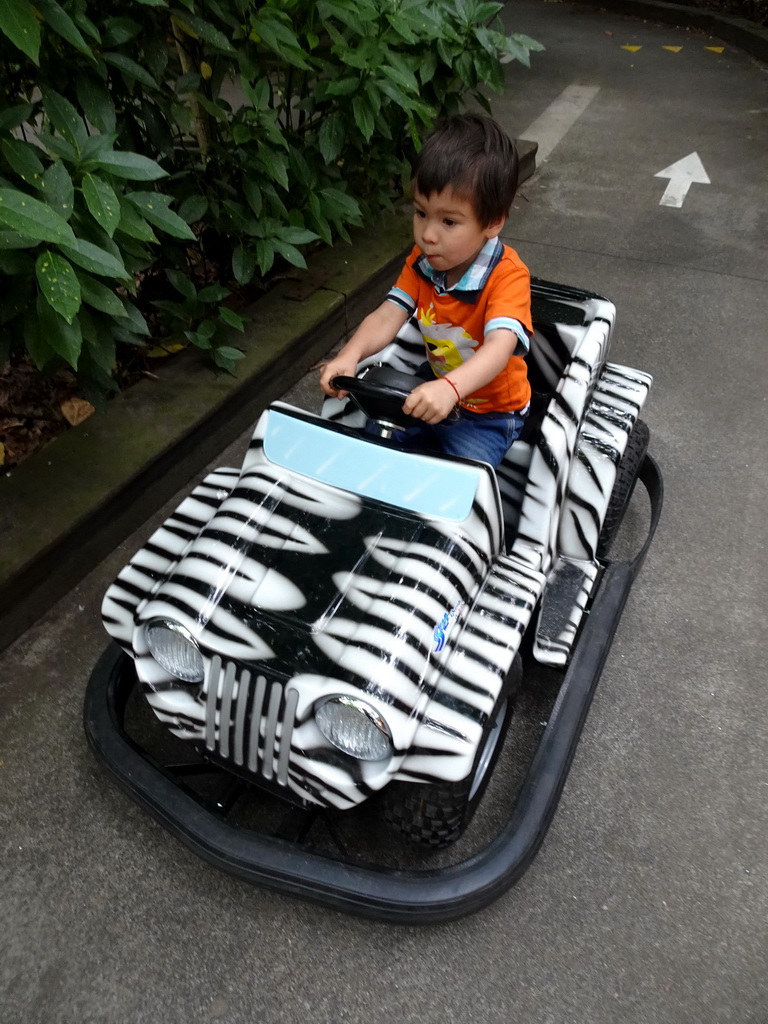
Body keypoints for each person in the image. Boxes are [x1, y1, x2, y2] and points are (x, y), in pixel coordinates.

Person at [319, 113, 532, 468]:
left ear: (493, 221)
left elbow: (499, 349)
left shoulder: (507, 277)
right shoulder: (425, 261)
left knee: (463, 481)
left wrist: (450, 389)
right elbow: (388, 313)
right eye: (420, 213)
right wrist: (349, 355)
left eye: (448, 221)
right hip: (431, 386)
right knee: (377, 440)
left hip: (488, 414)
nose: (428, 234)